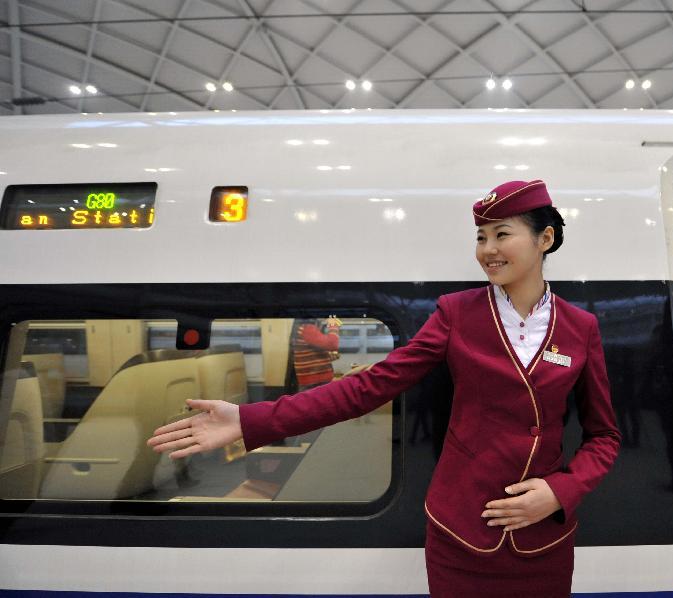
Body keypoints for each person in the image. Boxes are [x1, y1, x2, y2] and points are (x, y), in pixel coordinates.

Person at [147, 179, 622, 597]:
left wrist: (561, 491)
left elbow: (605, 437)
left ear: (545, 238)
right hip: (461, 534)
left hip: (543, 541)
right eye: (480, 237)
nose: (487, 249)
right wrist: (249, 421)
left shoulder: (580, 328)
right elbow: (368, 388)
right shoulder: (457, 314)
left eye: (502, 234)